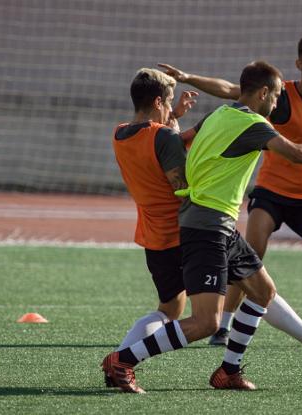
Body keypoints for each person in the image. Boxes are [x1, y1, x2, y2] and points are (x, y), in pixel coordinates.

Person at [101, 61, 302, 393]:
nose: (279, 102)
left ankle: (232, 369)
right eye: (277, 95)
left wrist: (176, 118)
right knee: (206, 322)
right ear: (264, 93)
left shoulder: (220, 114)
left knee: (263, 292)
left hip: (217, 222)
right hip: (206, 225)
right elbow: (297, 153)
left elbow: (184, 140)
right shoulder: (252, 123)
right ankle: (124, 359)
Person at [159, 33, 302, 348]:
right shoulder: (278, 99)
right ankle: (221, 327)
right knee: (252, 255)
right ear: (299, 63)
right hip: (270, 193)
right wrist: (188, 79)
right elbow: (233, 91)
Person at [108, 68, 197, 389]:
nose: (171, 106)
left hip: (152, 235)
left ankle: (118, 360)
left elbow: (157, 139)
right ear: (158, 101)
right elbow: (181, 186)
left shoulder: (119, 133)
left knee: (169, 310)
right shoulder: (164, 136)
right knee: (252, 283)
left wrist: (173, 116)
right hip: (182, 233)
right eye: (169, 101)